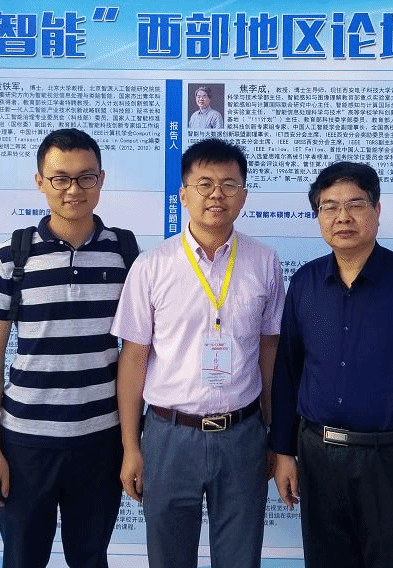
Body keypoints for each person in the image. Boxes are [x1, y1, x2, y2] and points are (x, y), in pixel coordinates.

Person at [270, 161, 393, 568]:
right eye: (329, 207)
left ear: (377, 211)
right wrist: (283, 450)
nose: (342, 216)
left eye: (355, 204)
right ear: (318, 216)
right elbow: (287, 373)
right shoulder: (305, 284)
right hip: (319, 458)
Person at [113, 138, 284, 568]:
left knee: (240, 559)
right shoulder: (151, 265)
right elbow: (133, 359)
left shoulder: (265, 262)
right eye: (204, 184)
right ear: (183, 194)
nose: (216, 195)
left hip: (243, 434)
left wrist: (272, 432)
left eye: (229, 185)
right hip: (169, 435)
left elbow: (270, 351)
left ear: (243, 195)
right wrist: (131, 446)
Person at [0, 128, 136, 568]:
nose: (73, 190)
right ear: (40, 182)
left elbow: (136, 355)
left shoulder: (126, 254)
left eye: (85, 178)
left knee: (90, 559)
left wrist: (131, 444)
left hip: (100, 443)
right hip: (25, 445)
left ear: (101, 180)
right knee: (22, 559)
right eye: (60, 178)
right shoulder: (12, 255)